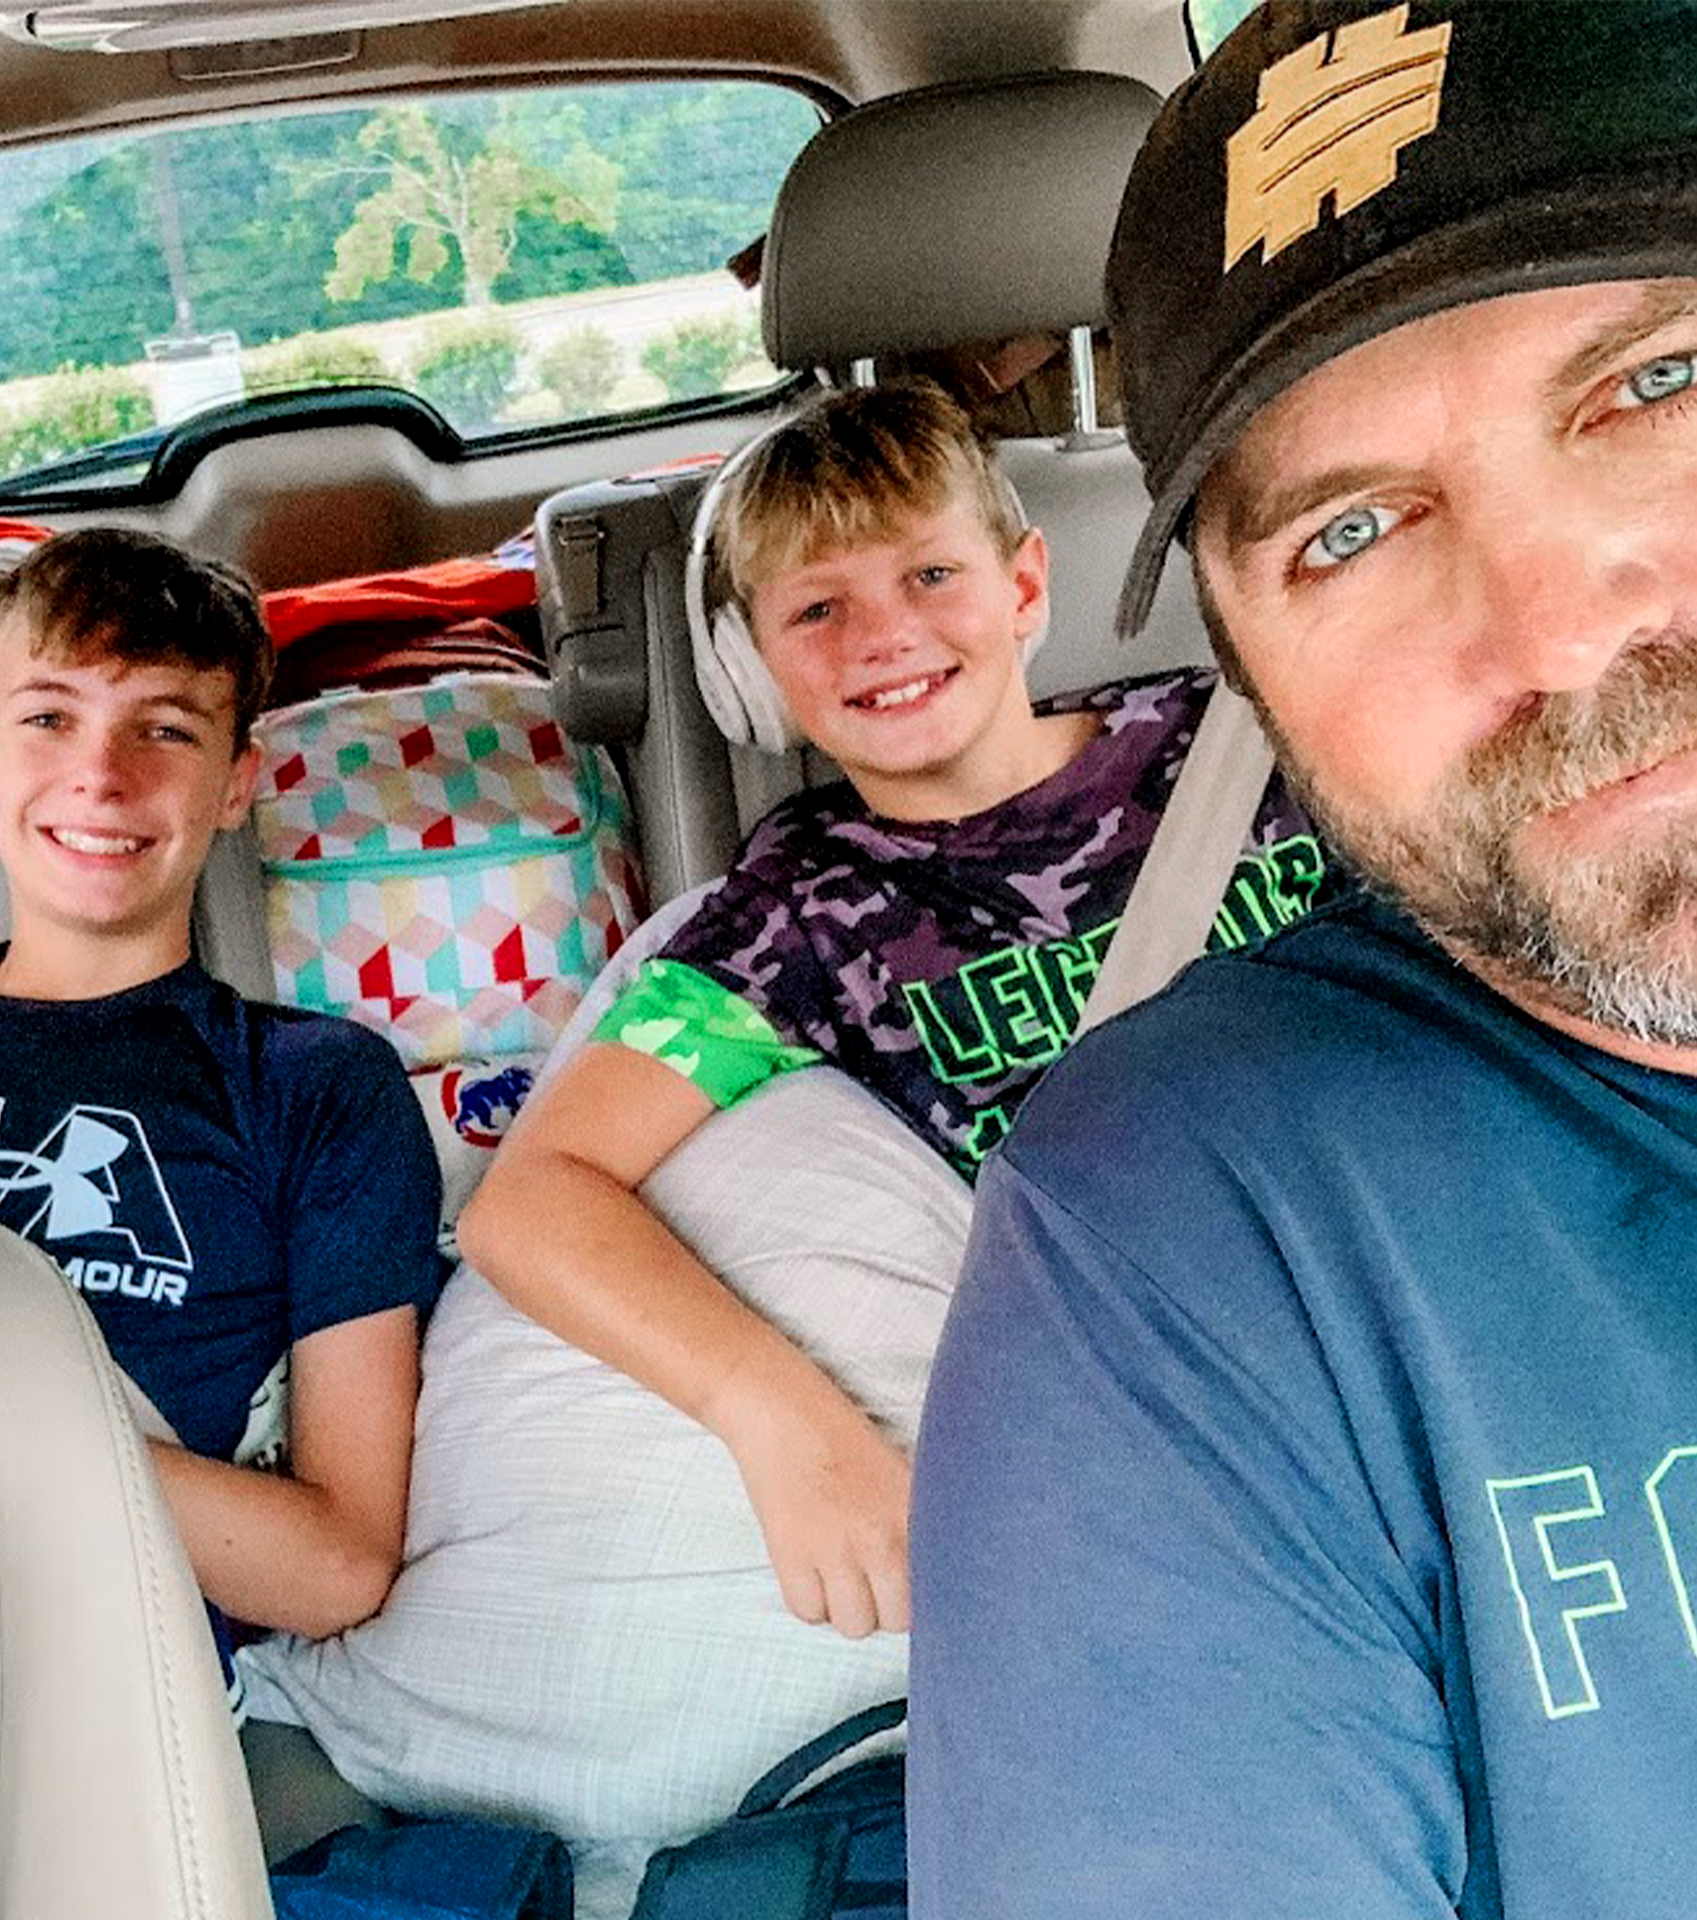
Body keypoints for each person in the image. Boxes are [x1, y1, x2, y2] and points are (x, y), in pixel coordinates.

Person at [908, 4, 1697, 1917]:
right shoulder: (1203, 1227)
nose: (1561, 631)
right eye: (1353, 528)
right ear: (1250, 676)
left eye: (1663, 378)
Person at [460, 379, 1330, 1642]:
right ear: (755, 671)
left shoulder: (1253, 733)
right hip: (1189, 1390)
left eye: (929, 577)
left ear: (1025, 589)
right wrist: (780, 1418)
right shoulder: (797, 915)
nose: (883, 636)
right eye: (818, 608)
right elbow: (531, 1206)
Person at [0, 527, 442, 1685]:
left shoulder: (316, 1088)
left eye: (165, 728)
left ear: (235, 785)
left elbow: (335, 1566)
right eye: (49, 718)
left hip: (113, 1688)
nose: (101, 776)